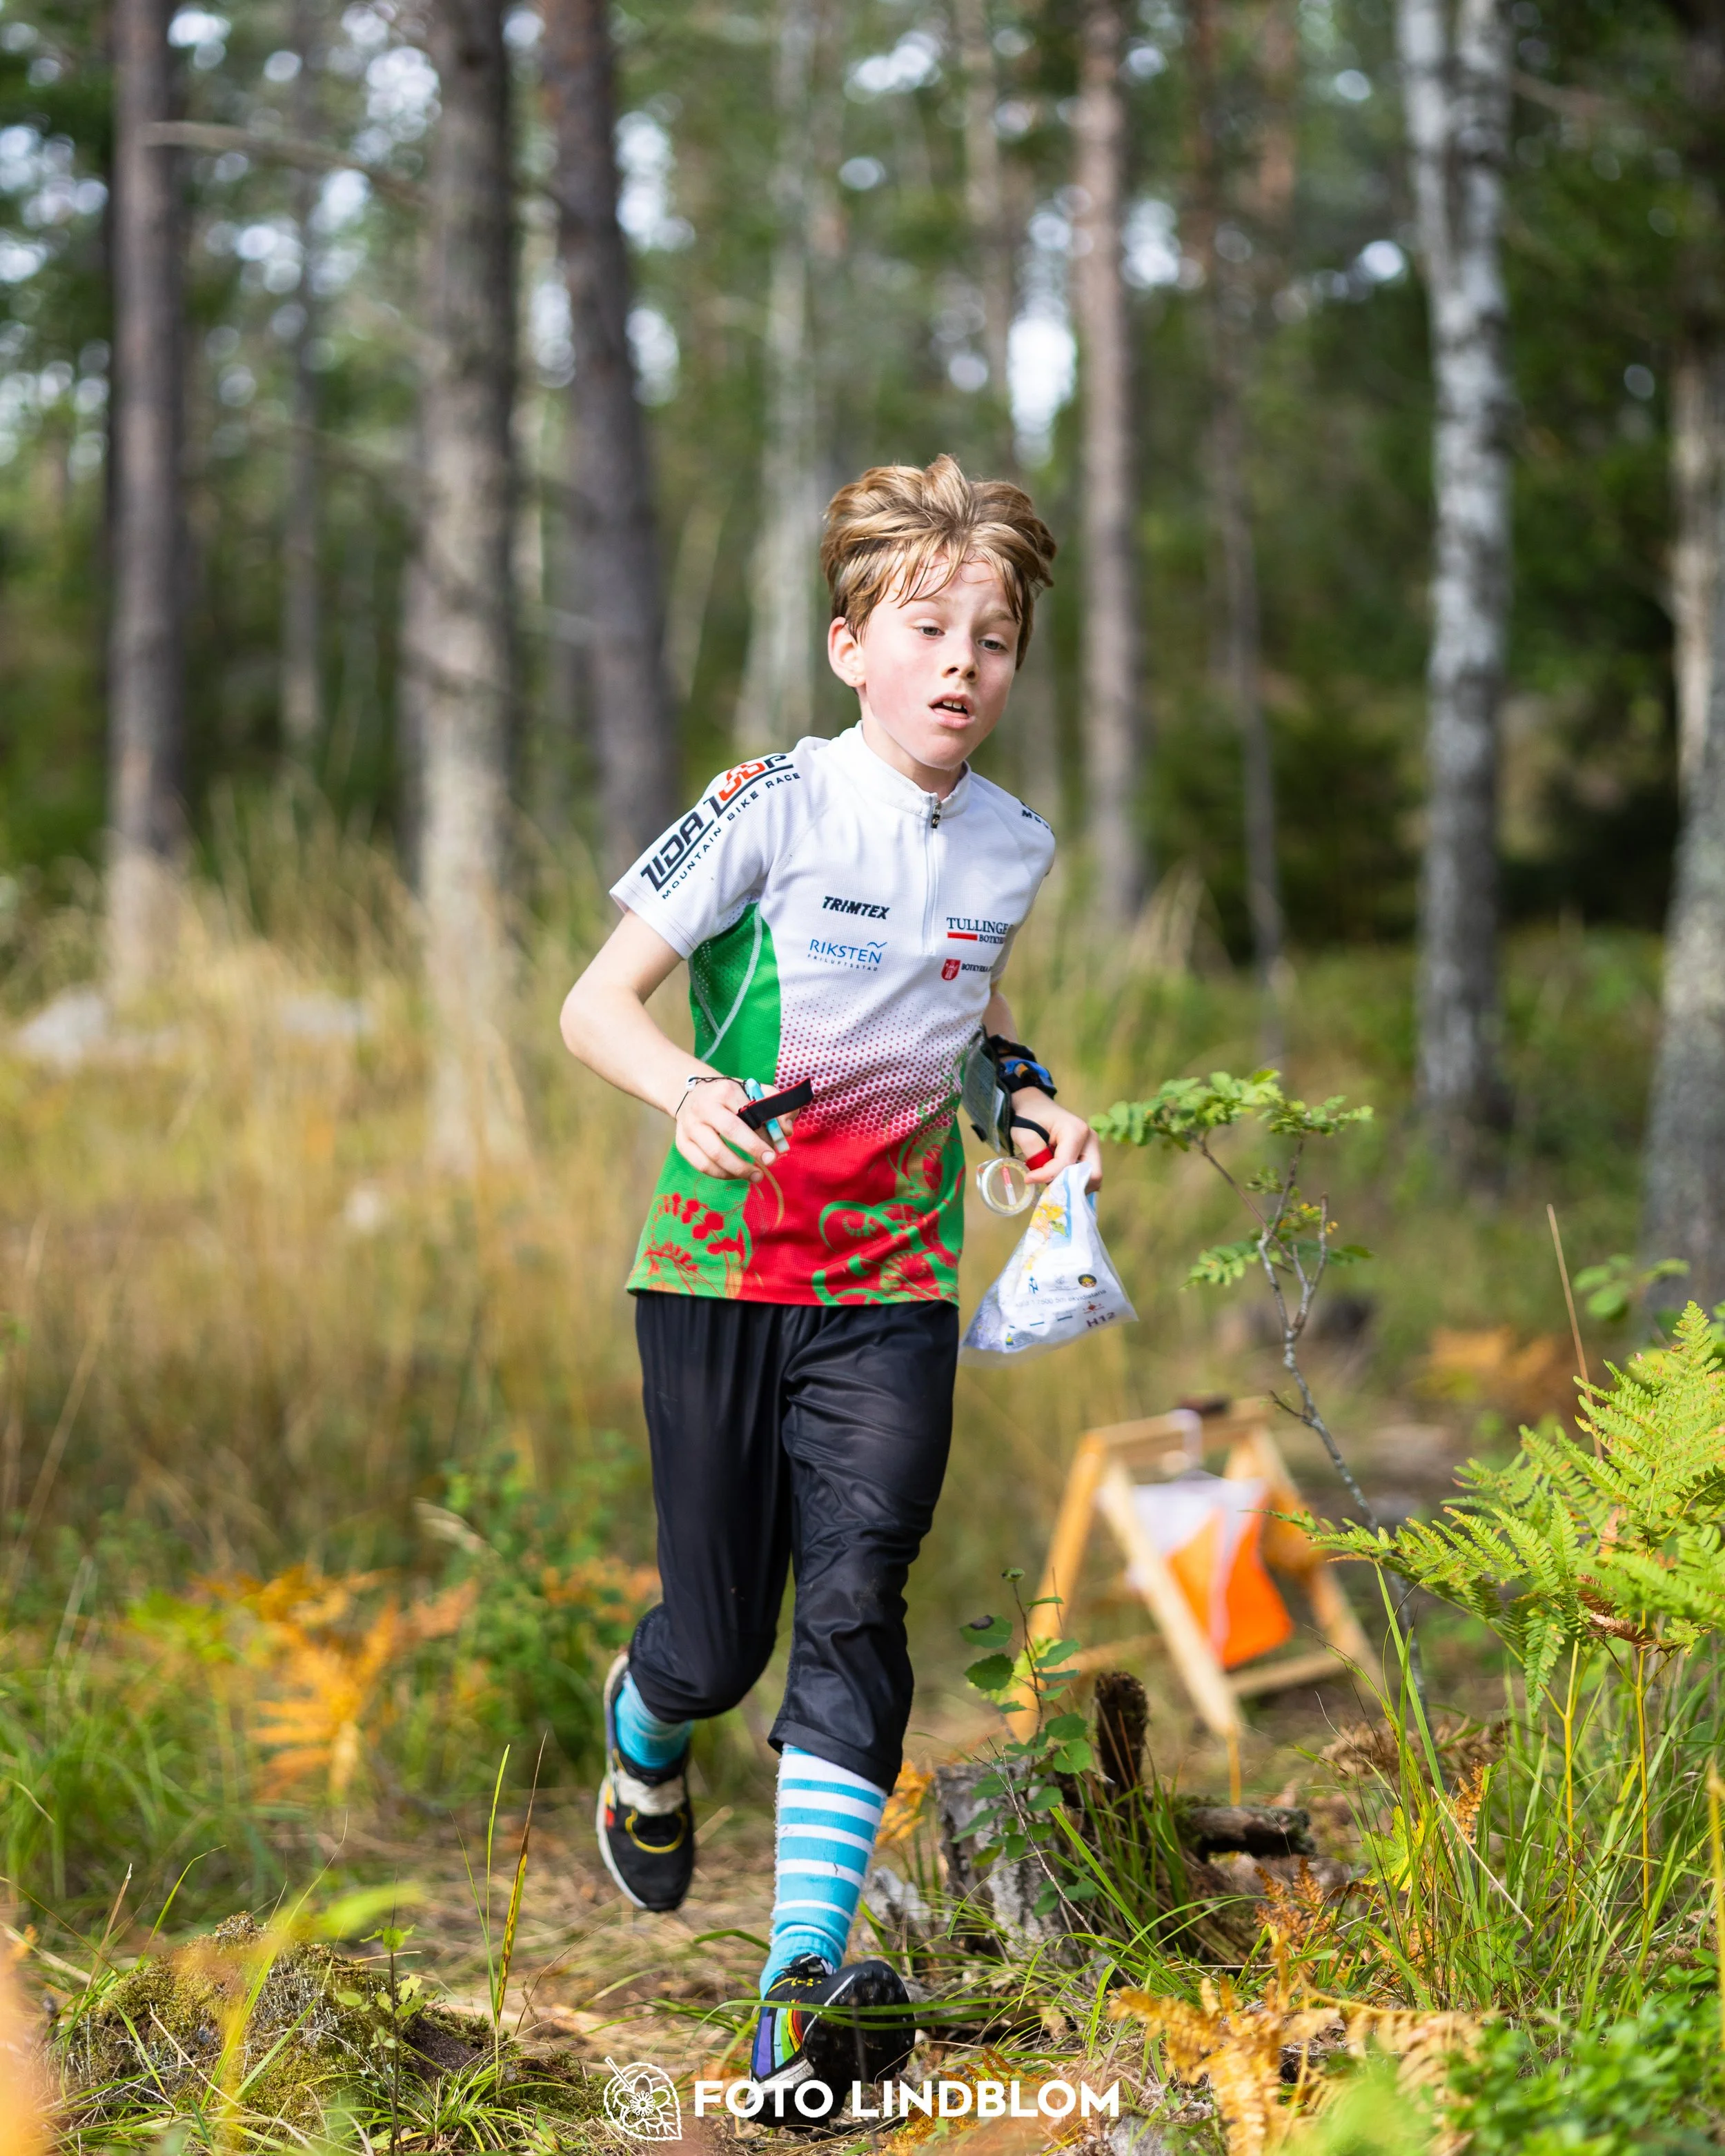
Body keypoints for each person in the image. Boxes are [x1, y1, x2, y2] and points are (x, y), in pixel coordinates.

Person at [558, 453, 1101, 2119]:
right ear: (849, 642)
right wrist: (683, 1092)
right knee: (719, 1643)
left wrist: (1019, 1096)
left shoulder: (1011, 841)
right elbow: (594, 1004)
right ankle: (642, 1729)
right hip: (715, 1275)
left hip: (891, 1288)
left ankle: (797, 1976)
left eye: (992, 638)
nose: (960, 664)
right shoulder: (765, 801)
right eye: (926, 627)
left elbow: (960, 1020)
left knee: (859, 1594)